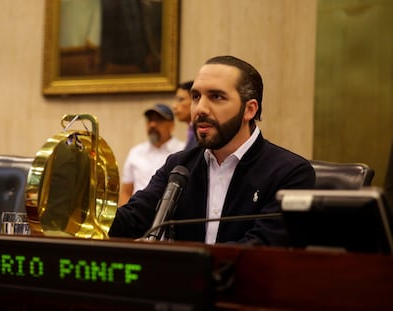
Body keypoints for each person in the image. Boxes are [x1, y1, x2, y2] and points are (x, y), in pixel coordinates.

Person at [110, 55, 315, 245]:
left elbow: (259, 250)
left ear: (250, 109)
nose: (200, 108)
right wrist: (82, 202)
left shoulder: (290, 173)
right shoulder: (179, 166)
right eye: (196, 97)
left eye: (216, 97)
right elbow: (132, 220)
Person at [118, 103, 185, 205]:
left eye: (159, 120)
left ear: (171, 125)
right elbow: (126, 192)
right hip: (138, 213)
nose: (152, 125)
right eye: (150, 120)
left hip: (170, 214)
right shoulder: (136, 152)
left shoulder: (182, 151)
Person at [172, 80, 198, 150]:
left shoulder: (201, 132)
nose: (174, 106)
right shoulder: (192, 130)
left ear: (195, 100)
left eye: (181, 100)